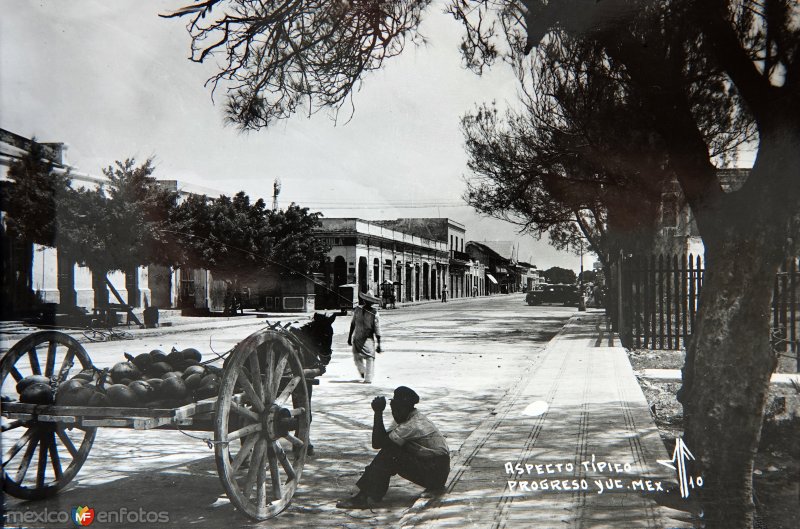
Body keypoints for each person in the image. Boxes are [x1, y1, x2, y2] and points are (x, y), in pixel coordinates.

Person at [336, 386, 450, 509]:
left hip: (435, 473)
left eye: (397, 410)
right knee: (391, 448)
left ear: (405, 408)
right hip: (436, 469)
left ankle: (364, 497)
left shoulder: (412, 425)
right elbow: (382, 441)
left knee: (390, 453)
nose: (394, 414)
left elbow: (378, 443)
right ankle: (368, 493)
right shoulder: (409, 417)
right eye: (392, 410)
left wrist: (378, 413)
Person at [348, 289, 382, 383]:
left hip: (368, 339)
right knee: (356, 357)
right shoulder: (358, 310)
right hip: (357, 337)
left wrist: (379, 344)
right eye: (366, 300)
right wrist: (349, 337)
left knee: (370, 358)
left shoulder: (374, 313)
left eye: (369, 301)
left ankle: (368, 378)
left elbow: (377, 329)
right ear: (364, 301)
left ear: (372, 303)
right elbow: (353, 324)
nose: (367, 302)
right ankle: (363, 371)